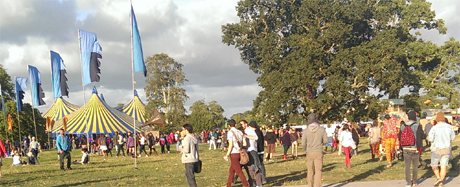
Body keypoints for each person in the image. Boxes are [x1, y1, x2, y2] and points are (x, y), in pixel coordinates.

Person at [428, 112, 456, 187]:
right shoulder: (449, 127)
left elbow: (430, 139)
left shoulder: (434, 128)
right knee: (444, 166)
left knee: (434, 165)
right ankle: (441, 182)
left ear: (437, 119)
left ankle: (438, 178)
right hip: (446, 148)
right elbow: (453, 137)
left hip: (437, 149)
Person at [302, 113, 328, 187]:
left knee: (310, 171)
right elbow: (326, 141)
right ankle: (317, 185)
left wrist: (306, 150)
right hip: (318, 151)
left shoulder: (306, 131)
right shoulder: (322, 129)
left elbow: (303, 143)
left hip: (309, 151)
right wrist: (320, 142)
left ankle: (310, 185)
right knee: (318, 170)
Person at [399, 111, 424, 187]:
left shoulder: (403, 125)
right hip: (414, 148)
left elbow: (399, 137)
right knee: (415, 166)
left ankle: (408, 182)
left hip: (405, 148)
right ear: (415, 117)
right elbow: (420, 138)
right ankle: (414, 181)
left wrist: (401, 147)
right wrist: (419, 148)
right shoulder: (417, 125)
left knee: (407, 166)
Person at [224, 119, 249, 187]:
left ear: (229, 125)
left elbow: (231, 145)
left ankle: (246, 185)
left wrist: (227, 154)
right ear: (235, 125)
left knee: (238, 171)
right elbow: (244, 143)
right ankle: (228, 185)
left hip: (233, 153)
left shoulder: (230, 132)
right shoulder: (240, 132)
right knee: (232, 170)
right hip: (239, 152)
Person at [244, 121, 262, 187]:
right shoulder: (243, 130)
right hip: (246, 151)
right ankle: (251, 183)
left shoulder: (250, 130)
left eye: (242, 124)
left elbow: (255, 138)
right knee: (249, 168)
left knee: (256, 167)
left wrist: (246, 136)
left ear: (246, 124)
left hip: (252, 150)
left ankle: (259, 184)